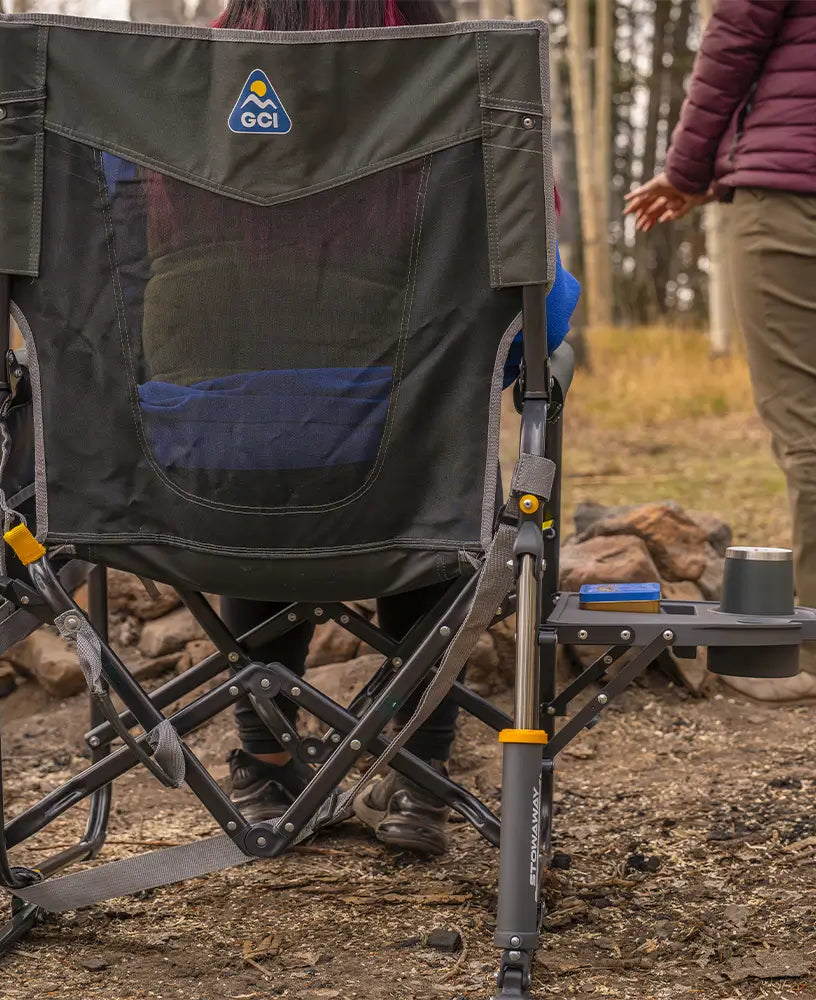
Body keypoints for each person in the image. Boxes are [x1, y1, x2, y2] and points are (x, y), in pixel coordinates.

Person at [205, 0, 580, 855]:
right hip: (410, 480)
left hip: (198, 485)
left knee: (269, 432)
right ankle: (421, 778)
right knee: (425, 458)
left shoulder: (176, 109)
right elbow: (542, 316)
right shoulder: (470, 93)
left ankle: (263, 765)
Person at [625, 0, 816, 706]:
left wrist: (685, 169)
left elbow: (734, 39)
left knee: (807, 427)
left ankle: (808, 651)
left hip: (791, 204)